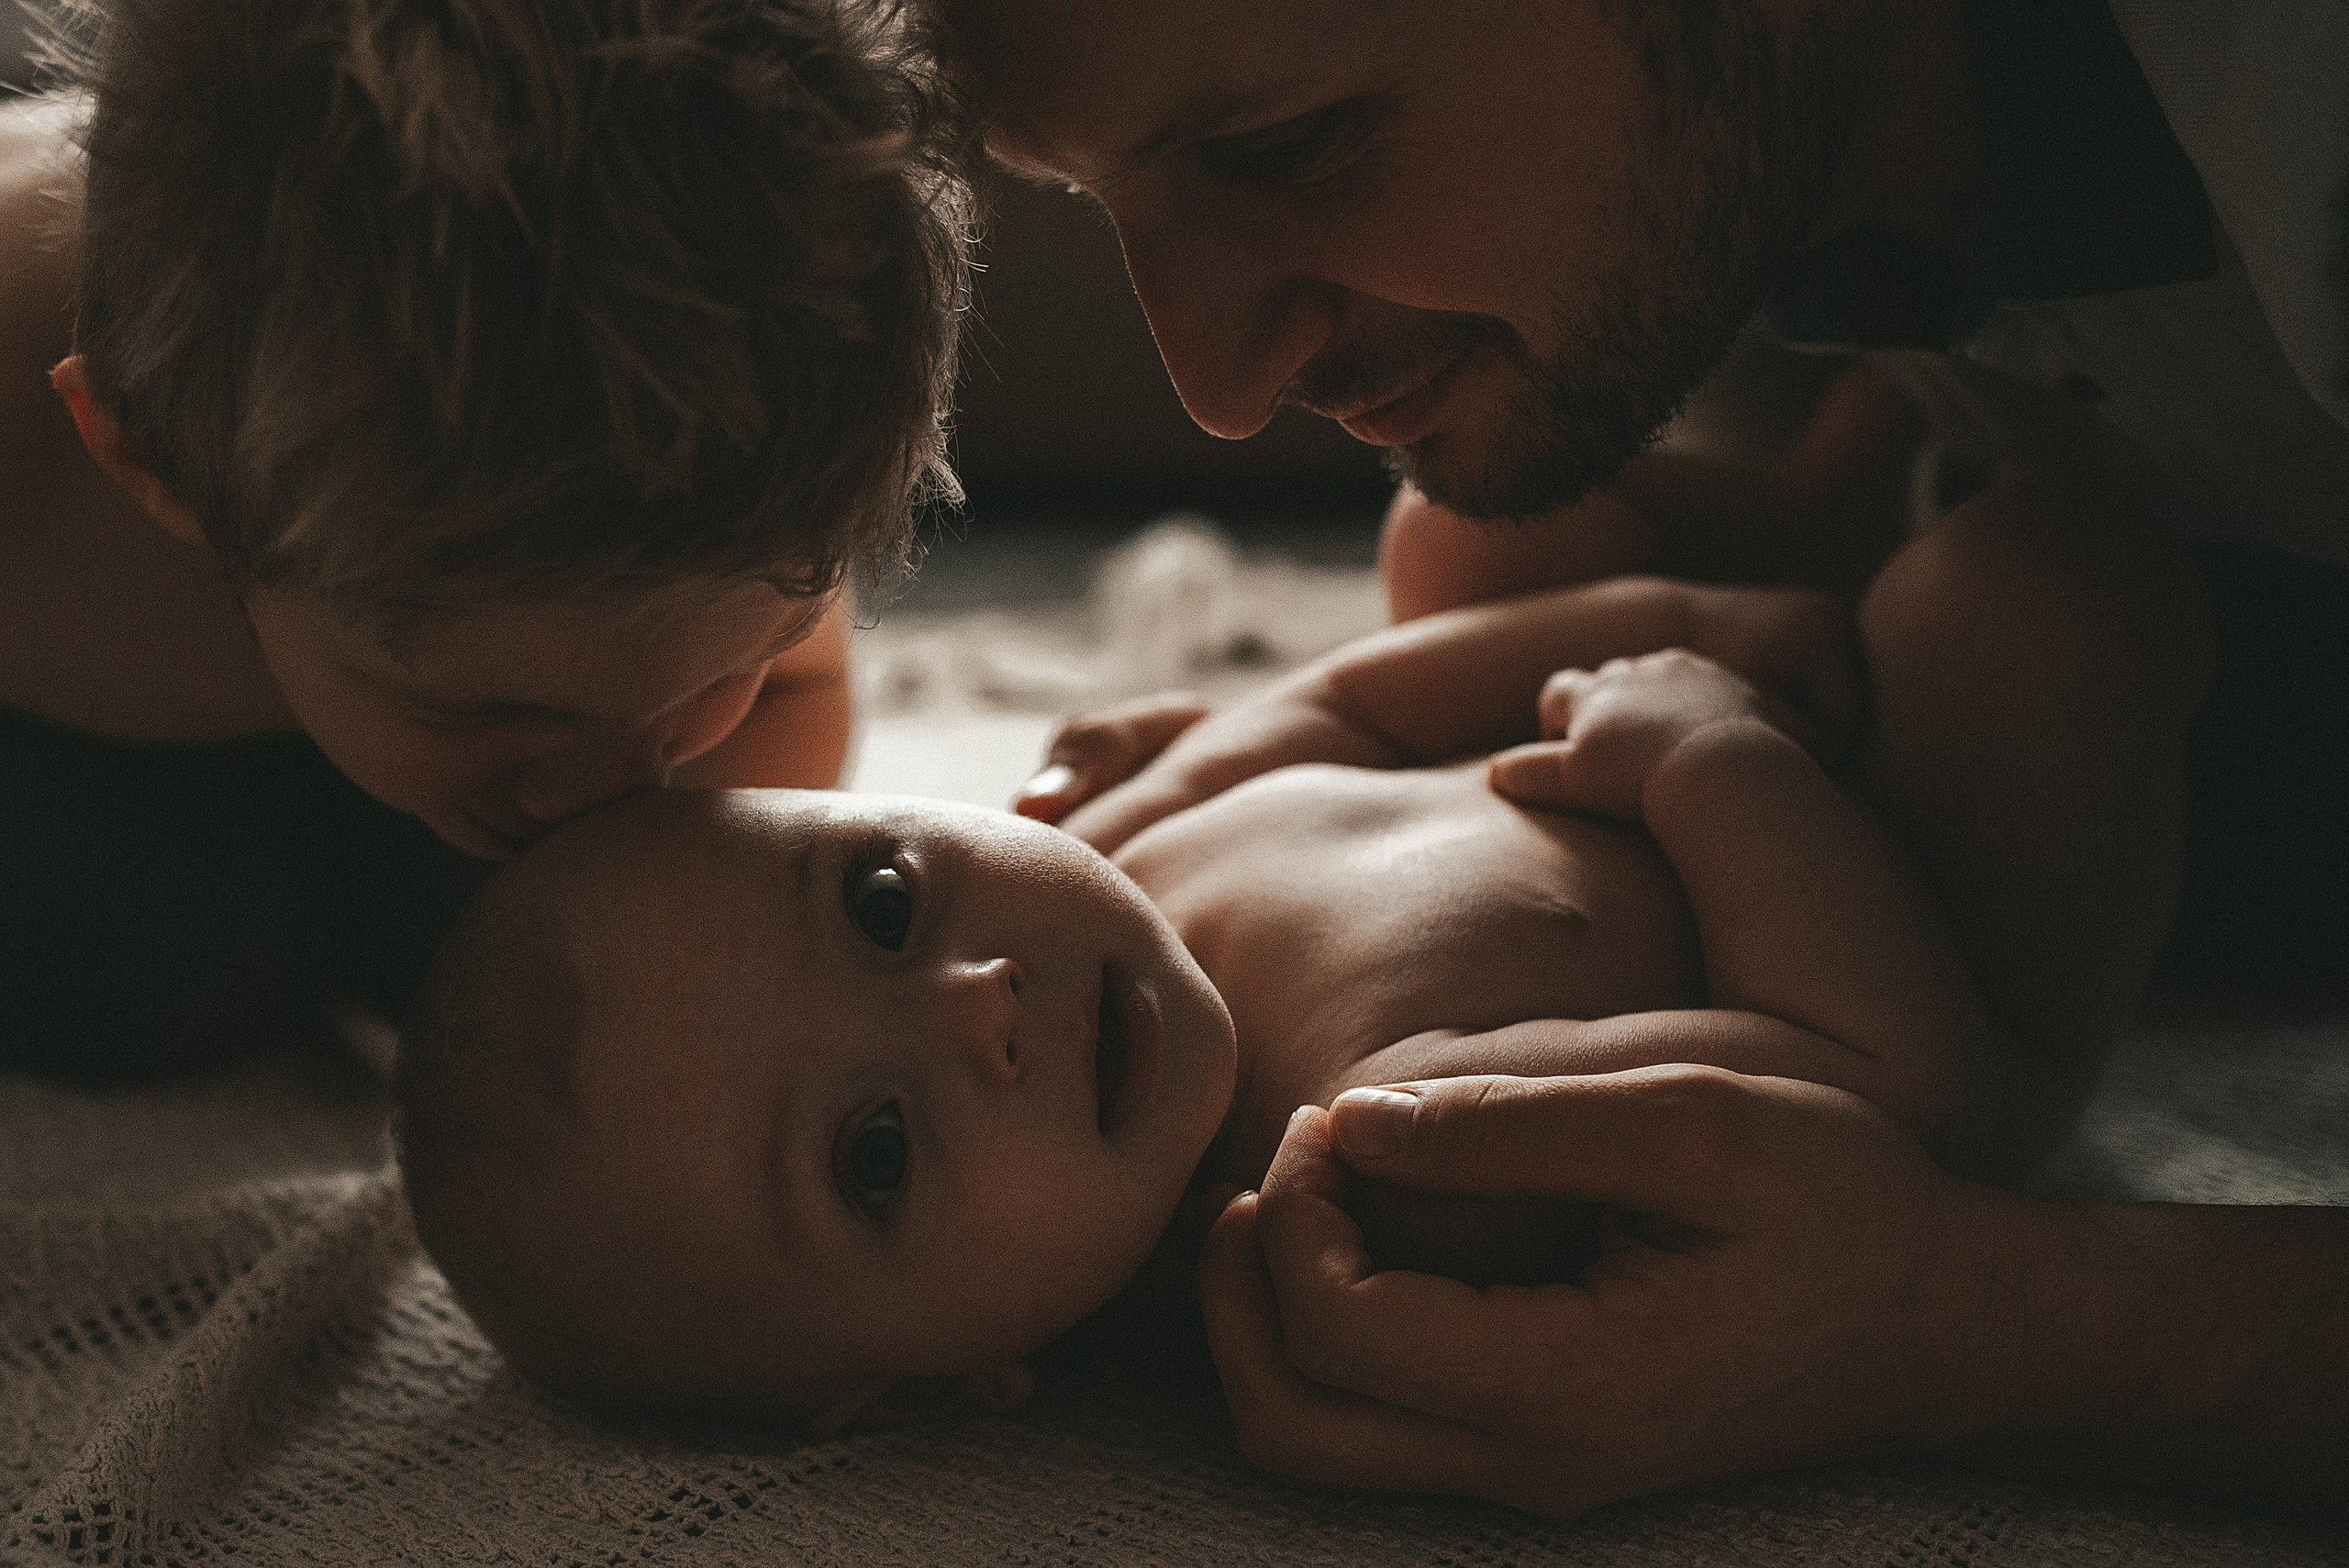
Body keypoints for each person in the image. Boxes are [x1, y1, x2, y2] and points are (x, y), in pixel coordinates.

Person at [933, 0, 2349, 1516]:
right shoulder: (1351, 1154)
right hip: (1801, 833)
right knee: (1522, 519)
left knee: (2015, 597)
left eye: (1290, 144)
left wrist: (1953, 1318)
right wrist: (1695, 693)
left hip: (1812, 788)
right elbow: (1871, 1070)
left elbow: (1360, 721)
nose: (1213, 392)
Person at [392, 478, 2203, 1443]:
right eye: (876, 1149)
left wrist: (1688, 633)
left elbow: (1348, 695)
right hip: (1927, 925)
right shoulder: (1386, 1162)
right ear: (941, 1384)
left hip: (1662, 720)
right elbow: (1879, 1081)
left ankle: (1810, 505)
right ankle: (1900, 529)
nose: (980, 1005)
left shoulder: (1107, 866)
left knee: (1469, 528)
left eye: (880, 898)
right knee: (2033, 586)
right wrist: (1708, 749)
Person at [0, 0, 965, 1076]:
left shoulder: (710, 474)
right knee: (105, 960)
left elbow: (798, 694)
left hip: (407, 824)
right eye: (486, 705)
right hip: (61, 763)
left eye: (718, 669)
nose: (601, 781)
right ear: (151, 461)